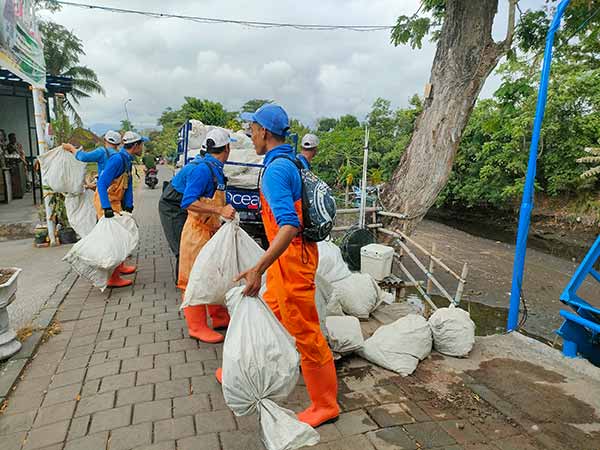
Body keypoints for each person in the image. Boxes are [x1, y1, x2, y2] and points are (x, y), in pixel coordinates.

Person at [218, 104, 339, 428]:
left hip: (292, 259)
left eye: (253, 130)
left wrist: (258, 267)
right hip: (286, 259)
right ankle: (240, 371)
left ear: (265, 132)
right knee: (267, 312)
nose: (251, 136)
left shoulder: (274, 171)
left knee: (306, 333)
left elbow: (288, 225)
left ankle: (325, 404)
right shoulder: (291, 160)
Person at [177, 128, 236, 343]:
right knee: (194, 278)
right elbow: (188, 202)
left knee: (214, 274)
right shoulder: (202, 170)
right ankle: (197, 327)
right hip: (196, 233)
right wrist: (219, 211)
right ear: (227, 148)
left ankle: (219, 317)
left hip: (210, 231)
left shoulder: (216, 169)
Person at [95, 131, 147, 288]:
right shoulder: (117, 160)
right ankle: (112, 277)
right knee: (113, 239)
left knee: (122, 233)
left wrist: (129, 203)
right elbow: (102, 183)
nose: (143, 147)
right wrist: (106, 207)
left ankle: (120, 266)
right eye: (142, 144)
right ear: (136, 146)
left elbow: (128, 184)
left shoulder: (127, 159)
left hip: (116, 201)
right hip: (107, 201)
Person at [158, 151, 204, 280]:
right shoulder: (199, 169)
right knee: (181, 248)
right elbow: (189, 201)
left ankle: (193, 280)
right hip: (171, 208)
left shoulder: (208, 167)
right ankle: (184, 282)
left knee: (192, 245)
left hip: (182, 207)